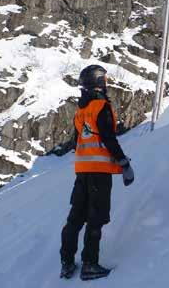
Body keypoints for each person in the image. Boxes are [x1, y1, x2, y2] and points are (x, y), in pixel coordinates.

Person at [59, 64, 134, 281]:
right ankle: (89, 264)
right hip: (99, 173)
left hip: (82, 171)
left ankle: (66, 263)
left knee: (75, 218)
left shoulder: (81, 111)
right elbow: (108, 139)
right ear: (99, 82)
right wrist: (124, 164)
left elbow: (78, 142)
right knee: (96, 218)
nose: (107, 83)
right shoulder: (101, 107)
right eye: (105, 79)